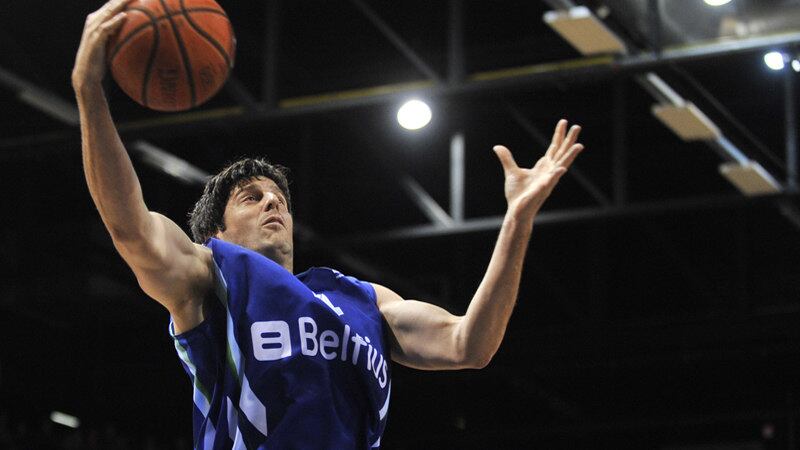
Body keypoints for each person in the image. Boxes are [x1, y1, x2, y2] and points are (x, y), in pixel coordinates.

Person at [72, 1, 585, 448]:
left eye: (280, 198)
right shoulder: (211, 279)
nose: (273, 203)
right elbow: (130, 228)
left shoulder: (362, 299)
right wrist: (90, 90)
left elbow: (469, 345)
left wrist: (517, 220)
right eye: (252, 198)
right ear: (217, 235)